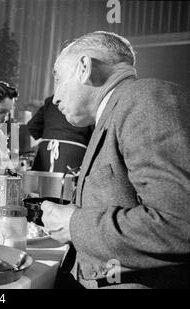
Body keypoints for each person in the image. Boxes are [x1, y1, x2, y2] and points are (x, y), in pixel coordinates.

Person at [41, 31, 190, 288]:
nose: (55, 97)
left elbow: (179, 224)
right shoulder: (116, 112)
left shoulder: (145, 100)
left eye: (58, 78)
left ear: (85, 67)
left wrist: (73, 224)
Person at [27, 95, 93, 173]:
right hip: (74, 155)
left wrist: (51, 135)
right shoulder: (88, 99)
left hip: (46, 152)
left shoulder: (53, 99)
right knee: (70, 184)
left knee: (40, 184)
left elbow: (32, 126)